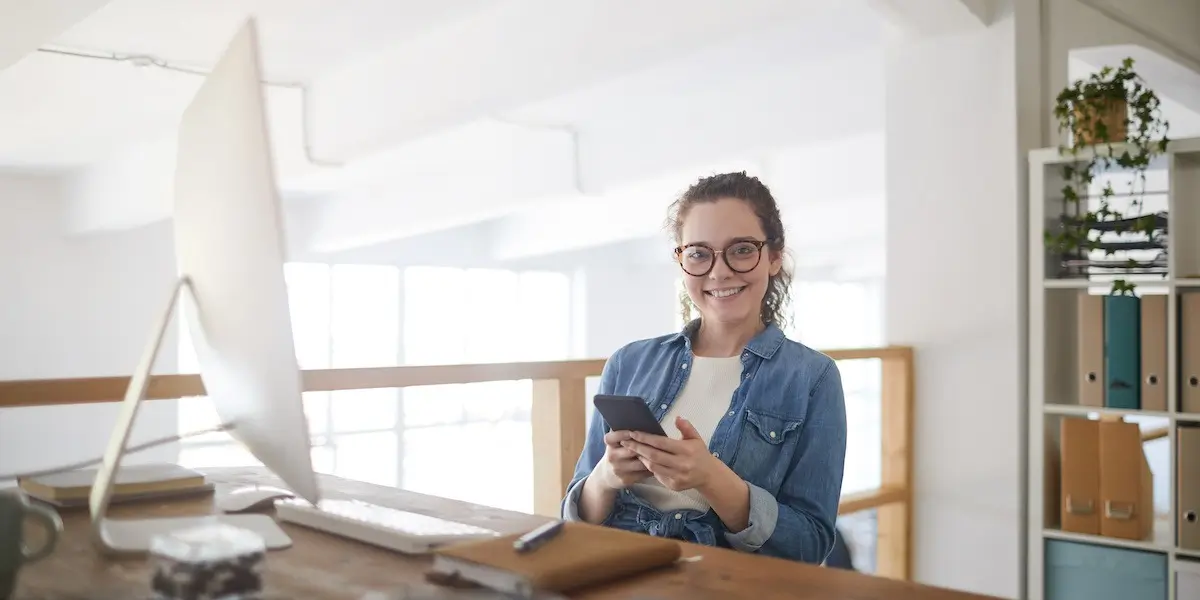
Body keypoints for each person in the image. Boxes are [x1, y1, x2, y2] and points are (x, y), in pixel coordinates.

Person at [559, 171, 847, 564]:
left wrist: (712, 479)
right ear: (681, 261)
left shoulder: (812, 378)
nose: (719, 271)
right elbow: (575, 519)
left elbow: (809, 545)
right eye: (698, 253)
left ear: (775, 257)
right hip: (616, 573)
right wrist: (605, 477)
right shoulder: (629, 362)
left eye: (742, 249)